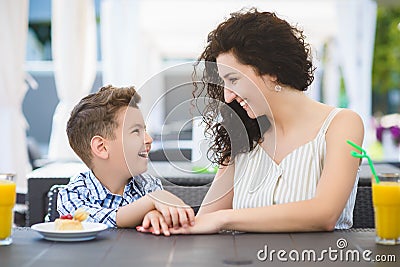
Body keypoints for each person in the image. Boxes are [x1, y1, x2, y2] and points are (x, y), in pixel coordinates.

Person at [138, 8, 364, 235]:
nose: (227, 96)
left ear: (272, 70)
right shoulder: (243, 137)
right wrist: (164, 216)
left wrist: (225, 219)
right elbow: (205, 219)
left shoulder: (341, 124)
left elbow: (324, 215)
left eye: (233, 79)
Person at [58, 85, 195, 235]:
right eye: (136, 131)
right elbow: (92, 221)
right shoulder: (73, 194)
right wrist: (150, 201)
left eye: (145, 130)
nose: (149, 139)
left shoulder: (148, 185)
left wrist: (153, 215)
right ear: (102, 147)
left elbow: (158, 219)